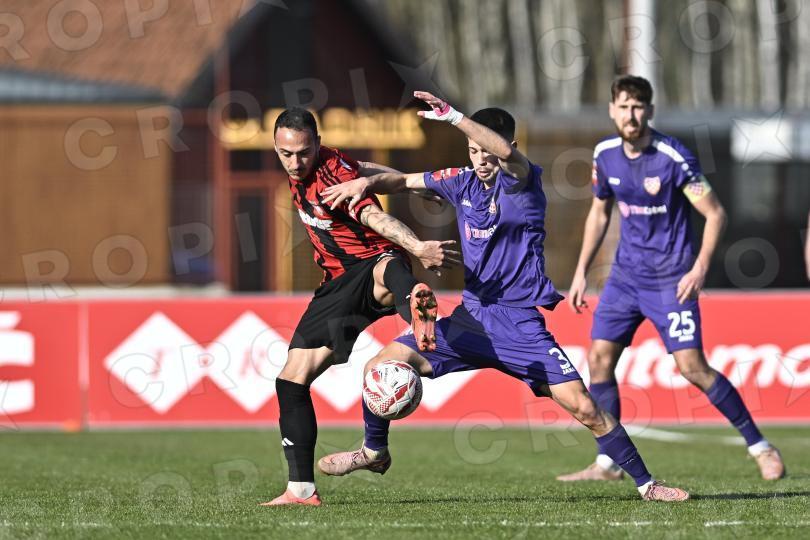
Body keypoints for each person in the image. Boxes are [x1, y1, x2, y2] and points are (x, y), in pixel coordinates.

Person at [316, 91, 690, 503]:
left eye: (486, 150)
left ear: (507, 146)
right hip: (472, 319)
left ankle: (648, 485)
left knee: (585, 408)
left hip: (521, 327)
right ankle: (374, 452)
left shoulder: (522, 182)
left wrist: (454, 116)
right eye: (472, 150)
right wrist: (367, 181)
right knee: (380, 365)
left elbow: (506, 155)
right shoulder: (461, 182)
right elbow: (404, 181)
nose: (480, 158)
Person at [556, 75, 785, 482]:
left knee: (692, 367)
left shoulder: (673, 156)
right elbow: (599, 213)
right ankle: (609, 463)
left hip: (670, 280)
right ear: (612, 110)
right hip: (624, 279)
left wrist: (700, 268)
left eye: (638, 107)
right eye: (623, 106)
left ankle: (761, 447)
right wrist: (579, 271)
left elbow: (715, 214)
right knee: (598, 360)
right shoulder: (605, 154)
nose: (630, 115)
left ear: (650, 111)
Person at [262, 107, 461, 507]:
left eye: (303, 153)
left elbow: (372, 216)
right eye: (286, 154)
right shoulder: (328, 162)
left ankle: (416, 311)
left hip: (372, 264)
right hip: (336, 285)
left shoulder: (331, 179)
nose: (295, 162)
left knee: (386, 267)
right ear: (277, 148)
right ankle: (300, 491)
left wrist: (417, 246)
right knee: (291, 380)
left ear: (317, 144)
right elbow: (364, 168)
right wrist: (405, 184)